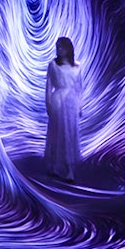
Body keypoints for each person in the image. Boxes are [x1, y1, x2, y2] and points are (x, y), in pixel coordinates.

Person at [45, 36, 82, 182]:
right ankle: (56, 166)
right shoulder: (52, 65)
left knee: (70, 134)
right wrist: (47, 104)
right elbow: (48, 87)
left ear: (68, 49)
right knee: (58, 134)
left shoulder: (77, 66)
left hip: (72, 102)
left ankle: (69, 169)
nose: (58, 50)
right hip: (58, 102)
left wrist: (80, 105)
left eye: (61, 47)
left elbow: (80, 88)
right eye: (57, 47)